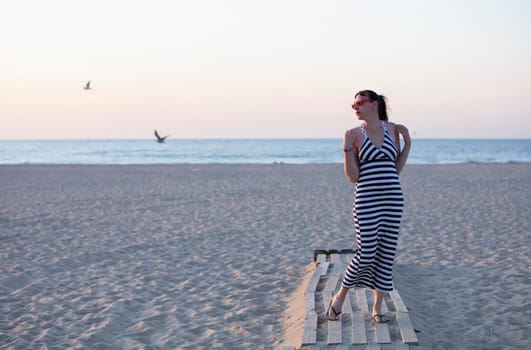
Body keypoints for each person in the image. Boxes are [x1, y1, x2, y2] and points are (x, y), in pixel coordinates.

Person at [327, 90, 411, 323]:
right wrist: (346, 148)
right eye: (353, 104)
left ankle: (377, 308)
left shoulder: (392, 130)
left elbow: (396, 170)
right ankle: (339, 298)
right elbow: (353, 177)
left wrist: (407, 144)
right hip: (366, 199)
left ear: (374, 104)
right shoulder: (354, 134)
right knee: (366, 252)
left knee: (387, 252)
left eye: (359, 103)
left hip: (393, 200)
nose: (355, 107)